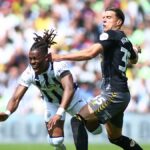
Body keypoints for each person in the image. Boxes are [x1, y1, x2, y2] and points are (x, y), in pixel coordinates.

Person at [49, 8, 143, 150]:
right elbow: (134, 60)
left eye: (109, 17)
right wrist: (134, 50)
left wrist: (60, 56)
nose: (104, 19)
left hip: (113, 94)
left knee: (77, 121)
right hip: (122, 94)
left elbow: (90, 53)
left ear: (118, 22)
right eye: (103, 17)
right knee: (116, 138)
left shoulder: (110, 35)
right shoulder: (125, 40)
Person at [0, 29, 102, 150]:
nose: (33, 62)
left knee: (96, 130)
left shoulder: (58, 65)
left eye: (36, 59)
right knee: (56, 141)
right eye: (30, 58)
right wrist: (7, 112)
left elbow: (69, 89)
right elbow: (16, 98)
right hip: (52, 103)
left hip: (73, 99)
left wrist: (60, 113)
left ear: (47, 57)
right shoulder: (29, 73)